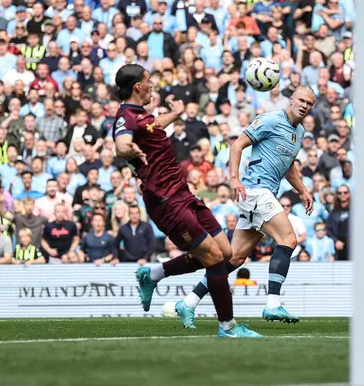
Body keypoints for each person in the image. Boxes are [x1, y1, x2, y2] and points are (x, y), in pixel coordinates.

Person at [112, 64, 260, 338]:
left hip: (182, 192)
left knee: (226, 253)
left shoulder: (143, 116)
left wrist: (177, 113)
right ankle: (227, 326)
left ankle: (153, 274)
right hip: (166, 201)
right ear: (137, 87)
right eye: (149, 80)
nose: (152, 83)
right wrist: (127, 149)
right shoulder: (125, 117)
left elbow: (154, 126)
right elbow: (121, 142)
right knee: (214, 258)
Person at [178, 85, 316, 327]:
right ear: (291, 99)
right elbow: (237, 144)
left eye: (310, 103)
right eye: (302, 100)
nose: (305, 106)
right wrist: (233, 178)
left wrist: (302, 190)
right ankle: (273, 304)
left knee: (235, 258)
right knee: (288, 240)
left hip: (262, 193)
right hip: (255, 190)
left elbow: (289, 165)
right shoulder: (270, 120)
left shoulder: (300, 131)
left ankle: (188, 302)